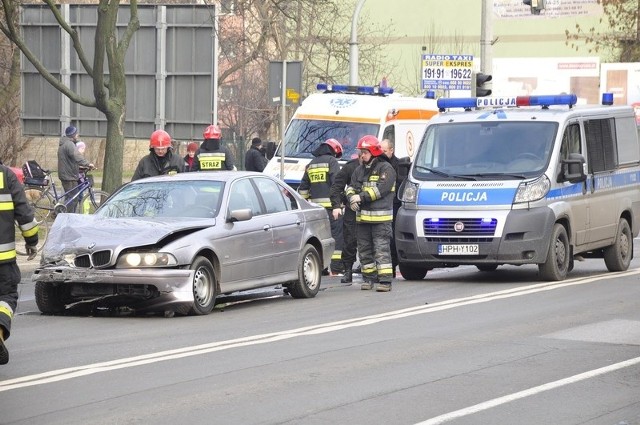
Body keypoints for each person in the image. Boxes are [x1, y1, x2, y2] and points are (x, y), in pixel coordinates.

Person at [346, 135, 396, 292]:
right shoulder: (359, 170)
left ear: (374, 152)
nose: (362, 155)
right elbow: (351, 187)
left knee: (381, 250)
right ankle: (368, 278)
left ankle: (385, 281)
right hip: (362, 220)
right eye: (361, 152)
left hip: (381, 220)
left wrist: (359, 197)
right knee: (364, 250)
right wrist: (351, 199)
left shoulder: (386, 169)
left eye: (365, 152)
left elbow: (380, 190)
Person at [0, 162, 39, 365]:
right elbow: (25, 215)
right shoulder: (6, 176)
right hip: (3, 262)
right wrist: (32, 242)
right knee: (6, 296)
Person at [298, 138, 344, 275]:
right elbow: (337, 185)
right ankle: (335, 269)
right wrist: (338, 205)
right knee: (335, 238)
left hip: (316, 212)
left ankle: (322, 268)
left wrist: (306, 207)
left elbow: (303, 189)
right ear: (334, 151)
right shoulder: (332, 162)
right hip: (331, 209)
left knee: (320, 239)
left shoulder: (311, 164)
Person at [330, 152, 361, 283]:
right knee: (349, 239)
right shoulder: (350, 167)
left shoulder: (380, 167)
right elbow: (337, 187)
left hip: (371, 208)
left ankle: (373, 272)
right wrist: (337, 205)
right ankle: (347, 270)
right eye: (362, 154)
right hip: (352, 209)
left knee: (372, 240)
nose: (363, 157)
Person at [58, 125, 94, 212]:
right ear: (73, 135)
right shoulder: (69, 145)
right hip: (69, 176)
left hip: (67, 174)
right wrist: (87, 164)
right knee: (73, 198)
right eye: (76, 134)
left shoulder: (66, 143)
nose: (77, 135)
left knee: (70, 197)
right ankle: (66, 216)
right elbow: (76, 156)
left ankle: (64, 213)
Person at [380, 138, 402, 278]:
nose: (382, 153)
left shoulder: (398, 165)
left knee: (392, 236)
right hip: (381, 205)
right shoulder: (379, 164)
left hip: (394, 204)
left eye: (384, 151)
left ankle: (393, 265)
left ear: (391, 150)